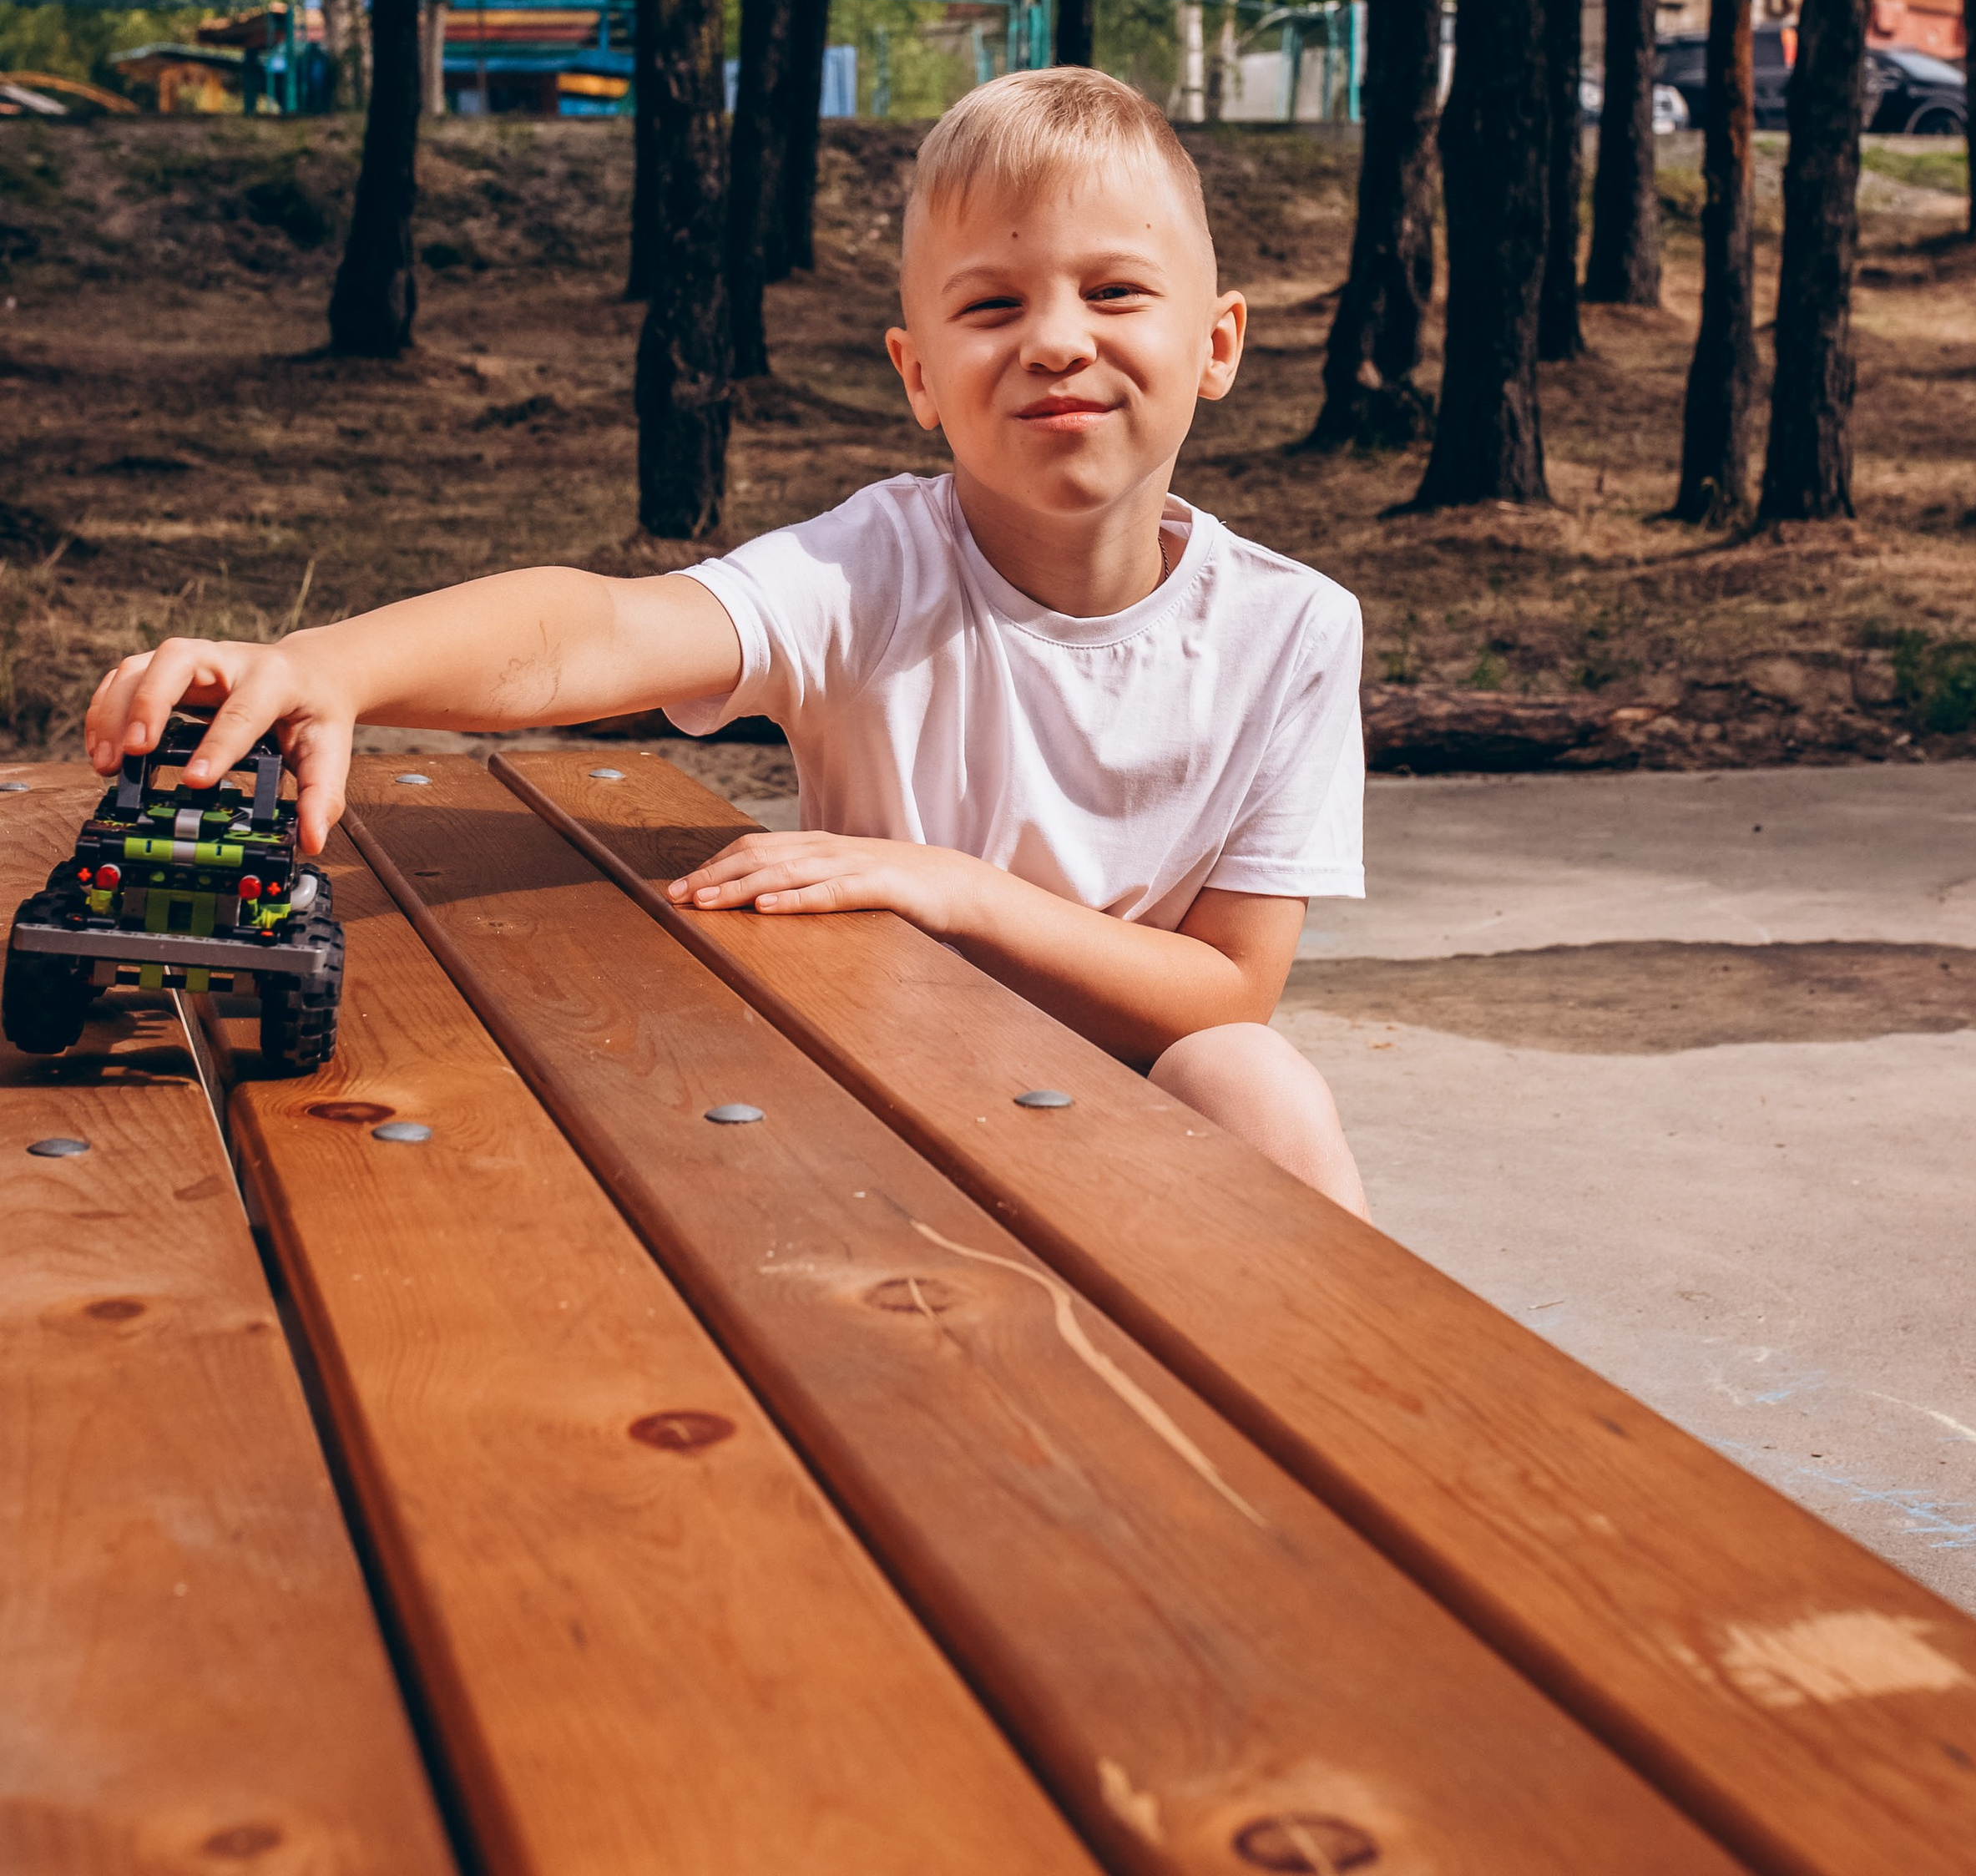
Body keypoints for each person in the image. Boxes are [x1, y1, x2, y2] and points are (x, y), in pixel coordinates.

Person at [85, 68, 1369, 1213]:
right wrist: (332, 663)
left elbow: (1227, 992)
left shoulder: (1294, 628)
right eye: (989, 307)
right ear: (917, 374)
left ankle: (1356, 1436)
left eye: (1115, 290)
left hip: (1141, 1125)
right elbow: (595, 627)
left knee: (1251, 1075)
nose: (1055, 339)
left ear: (1216, 345)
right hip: (878, 1095)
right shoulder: (872, 569)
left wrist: (955, 889)